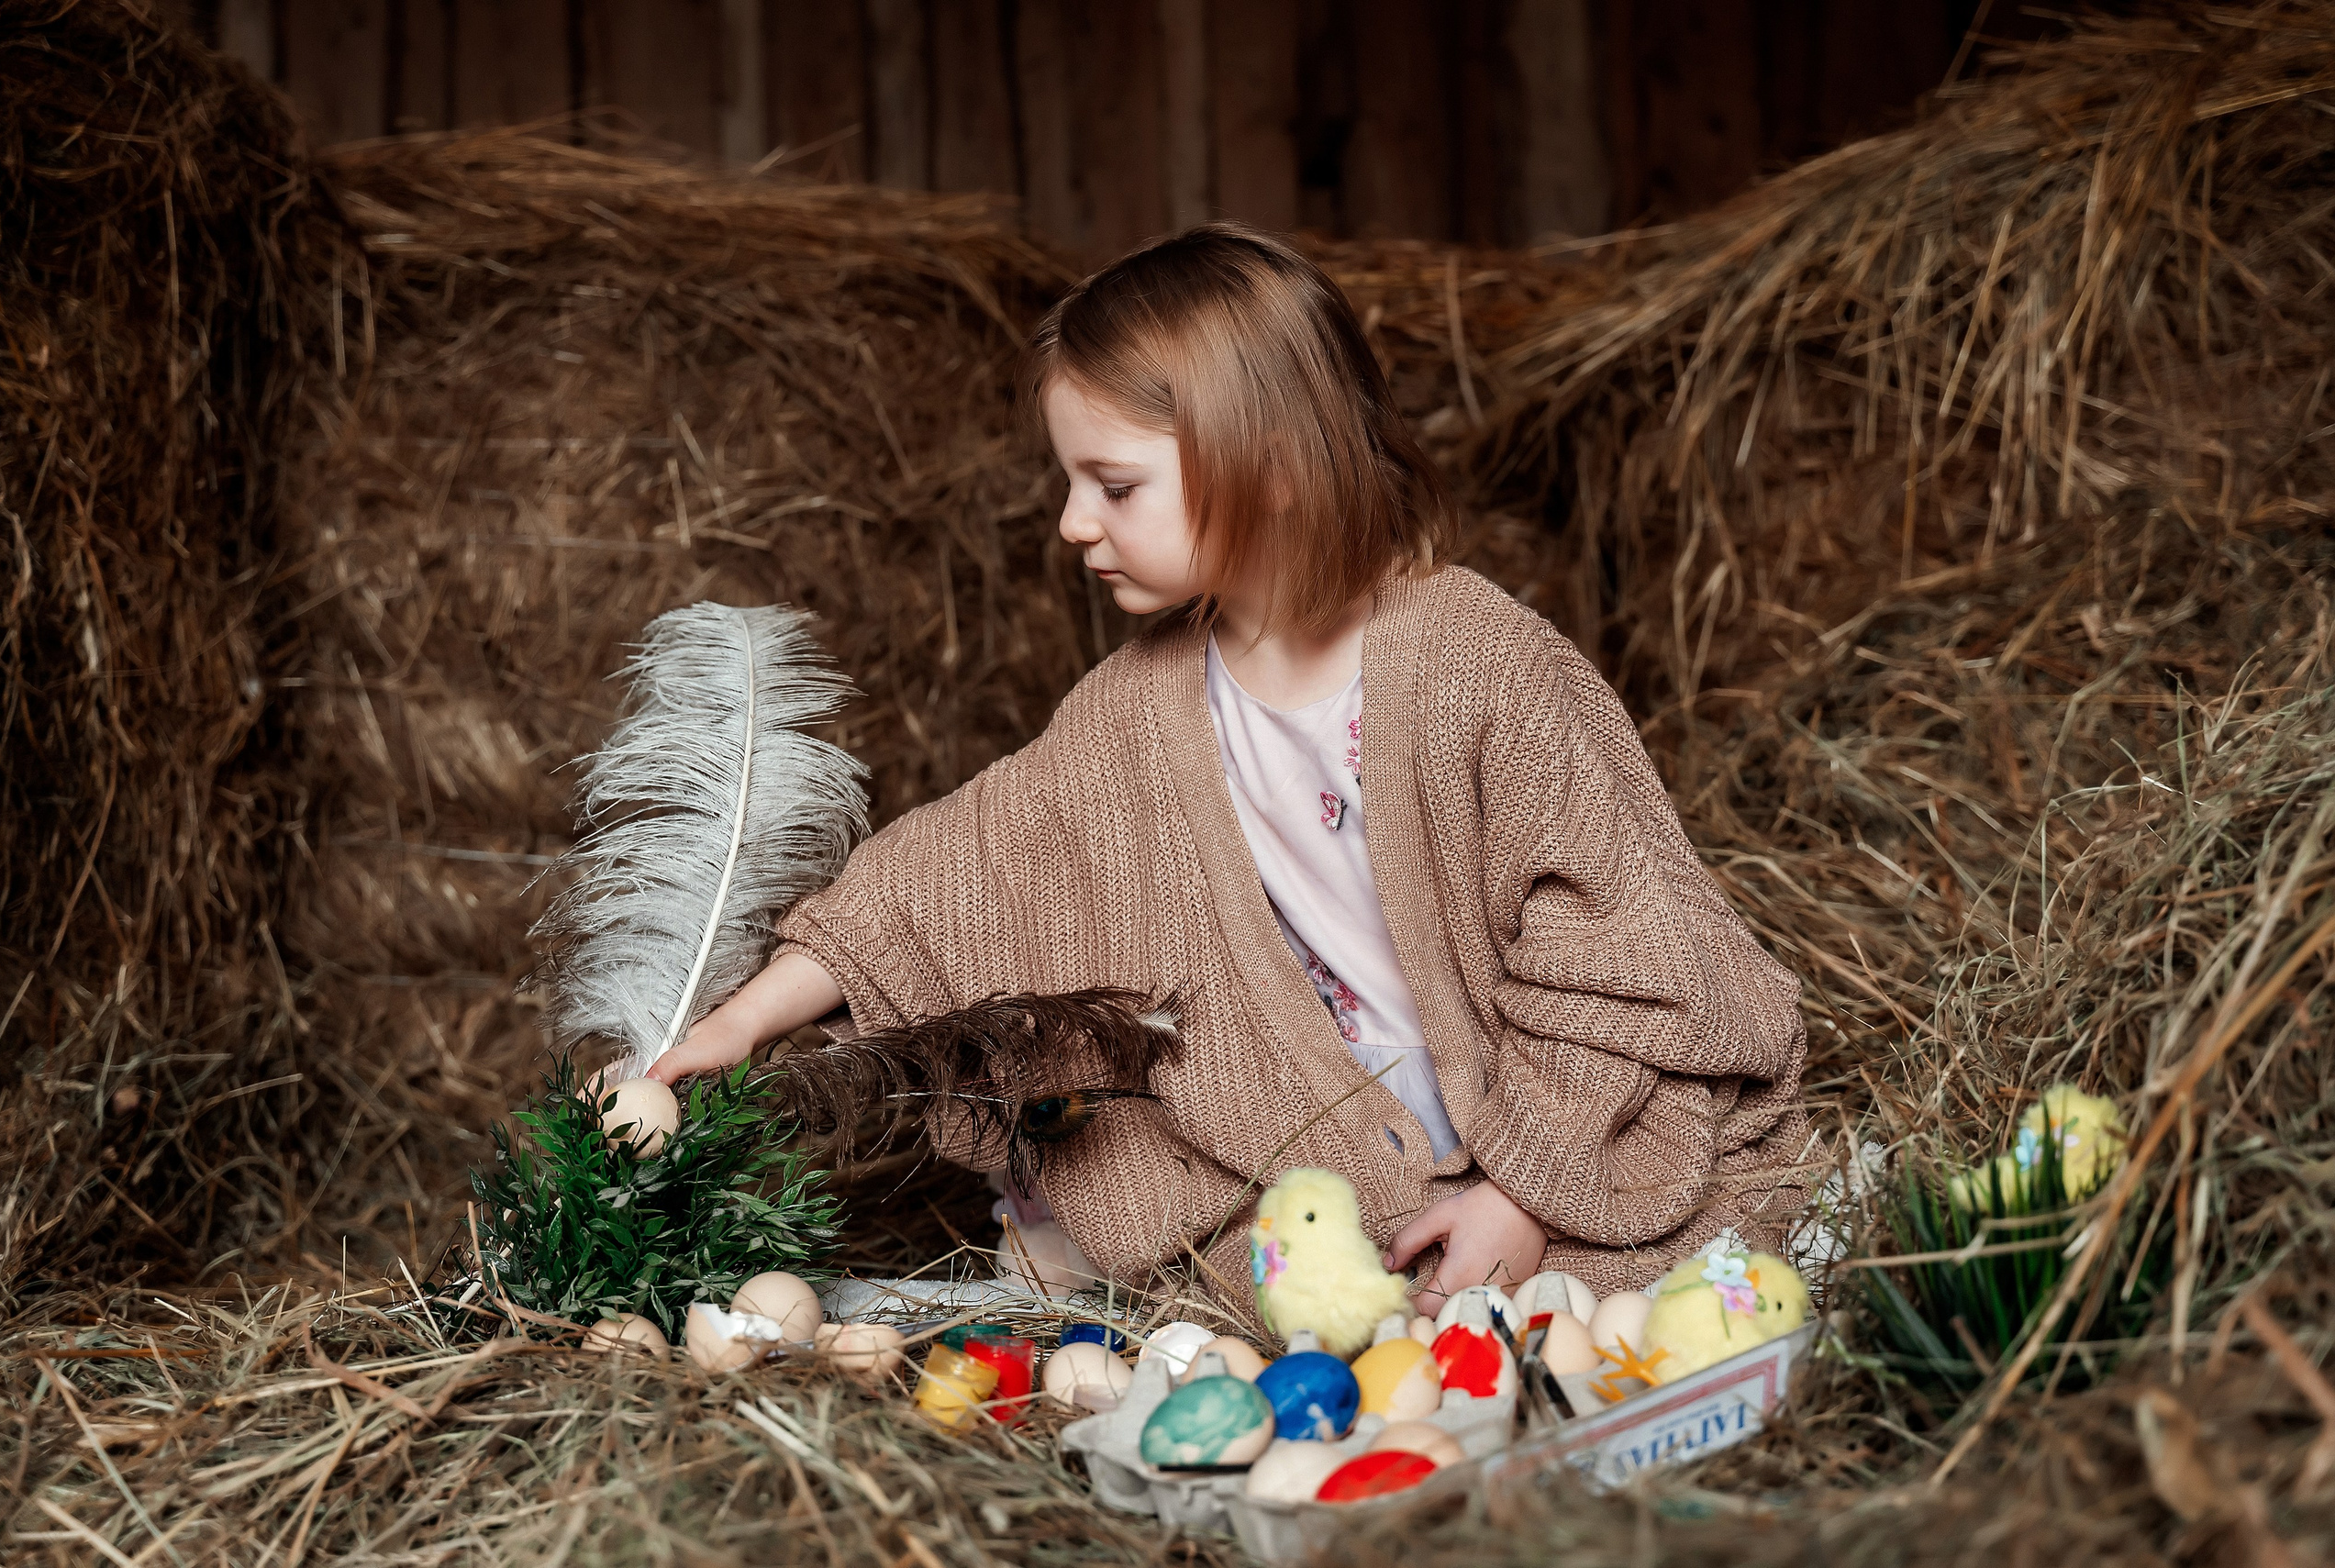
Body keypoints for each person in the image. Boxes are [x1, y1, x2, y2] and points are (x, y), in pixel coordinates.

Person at [647, 222, 1807, 1315]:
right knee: (1207, 1231)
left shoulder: (1472, 663)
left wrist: (1524, 1191)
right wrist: (741, 1022)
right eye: (1072, 483)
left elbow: (1619, 942)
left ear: (1272, 465)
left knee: (1653, 1263)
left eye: (1114, 486)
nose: (1071, 524)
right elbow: (950, 875)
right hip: (1329, 1133)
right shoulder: (1143, 703)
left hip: (1532, 1103)